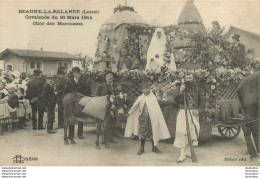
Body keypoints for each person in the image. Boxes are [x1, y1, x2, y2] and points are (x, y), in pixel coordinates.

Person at [124, 81, 171, 155]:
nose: (145, 91)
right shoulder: (141, 98)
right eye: (143, 89)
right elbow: (135, 106)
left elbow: (157, 109)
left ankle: (154, 147)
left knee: (153, 131)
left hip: (152, 118)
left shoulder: (153, 97)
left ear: (149, 89)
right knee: (143, 132)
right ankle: (142, 147)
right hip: (143, 117)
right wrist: (129, 113)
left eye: (146, 89)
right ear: (142, 90)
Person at [173, 73, 205, 163]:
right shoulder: (181, 87)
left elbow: (202, 102)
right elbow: (175, 101)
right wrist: (180, 91)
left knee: (194, 131)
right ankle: (182, 154)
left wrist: (198, 110)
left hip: (193, 113)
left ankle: (188, 151)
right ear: (185, 78)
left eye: (190, 77)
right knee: (182, 132)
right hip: (183, 112)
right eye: (187, 78)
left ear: (193, 78)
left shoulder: (198, 88)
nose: (189, 79)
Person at [64, 67, 91, 139]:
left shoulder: (85, 81)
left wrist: (85, 100)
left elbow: (88, 92)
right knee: (71, 117)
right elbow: (66, 92)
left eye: (78, 73)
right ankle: (71, 134)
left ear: (80, 73)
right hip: (71, 102)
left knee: (80, 117)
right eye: (75, 73)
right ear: (73, 74)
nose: (77, 74)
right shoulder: (69, 81)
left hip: (81, 101)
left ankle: (80, 134)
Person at [96, 70, 123, 142]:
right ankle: (104, 139)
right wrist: (106, 97)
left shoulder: (117, 85)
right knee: (105, 123)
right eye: (108, 76)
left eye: (111, 76)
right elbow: (97, 96)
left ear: (113, 77)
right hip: (105, 106)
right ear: (105, 78)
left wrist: (120, 95)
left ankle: (111, 138)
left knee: (113, 122)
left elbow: (121, 94)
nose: (109, 77)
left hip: (114, 106)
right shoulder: (101, 86)